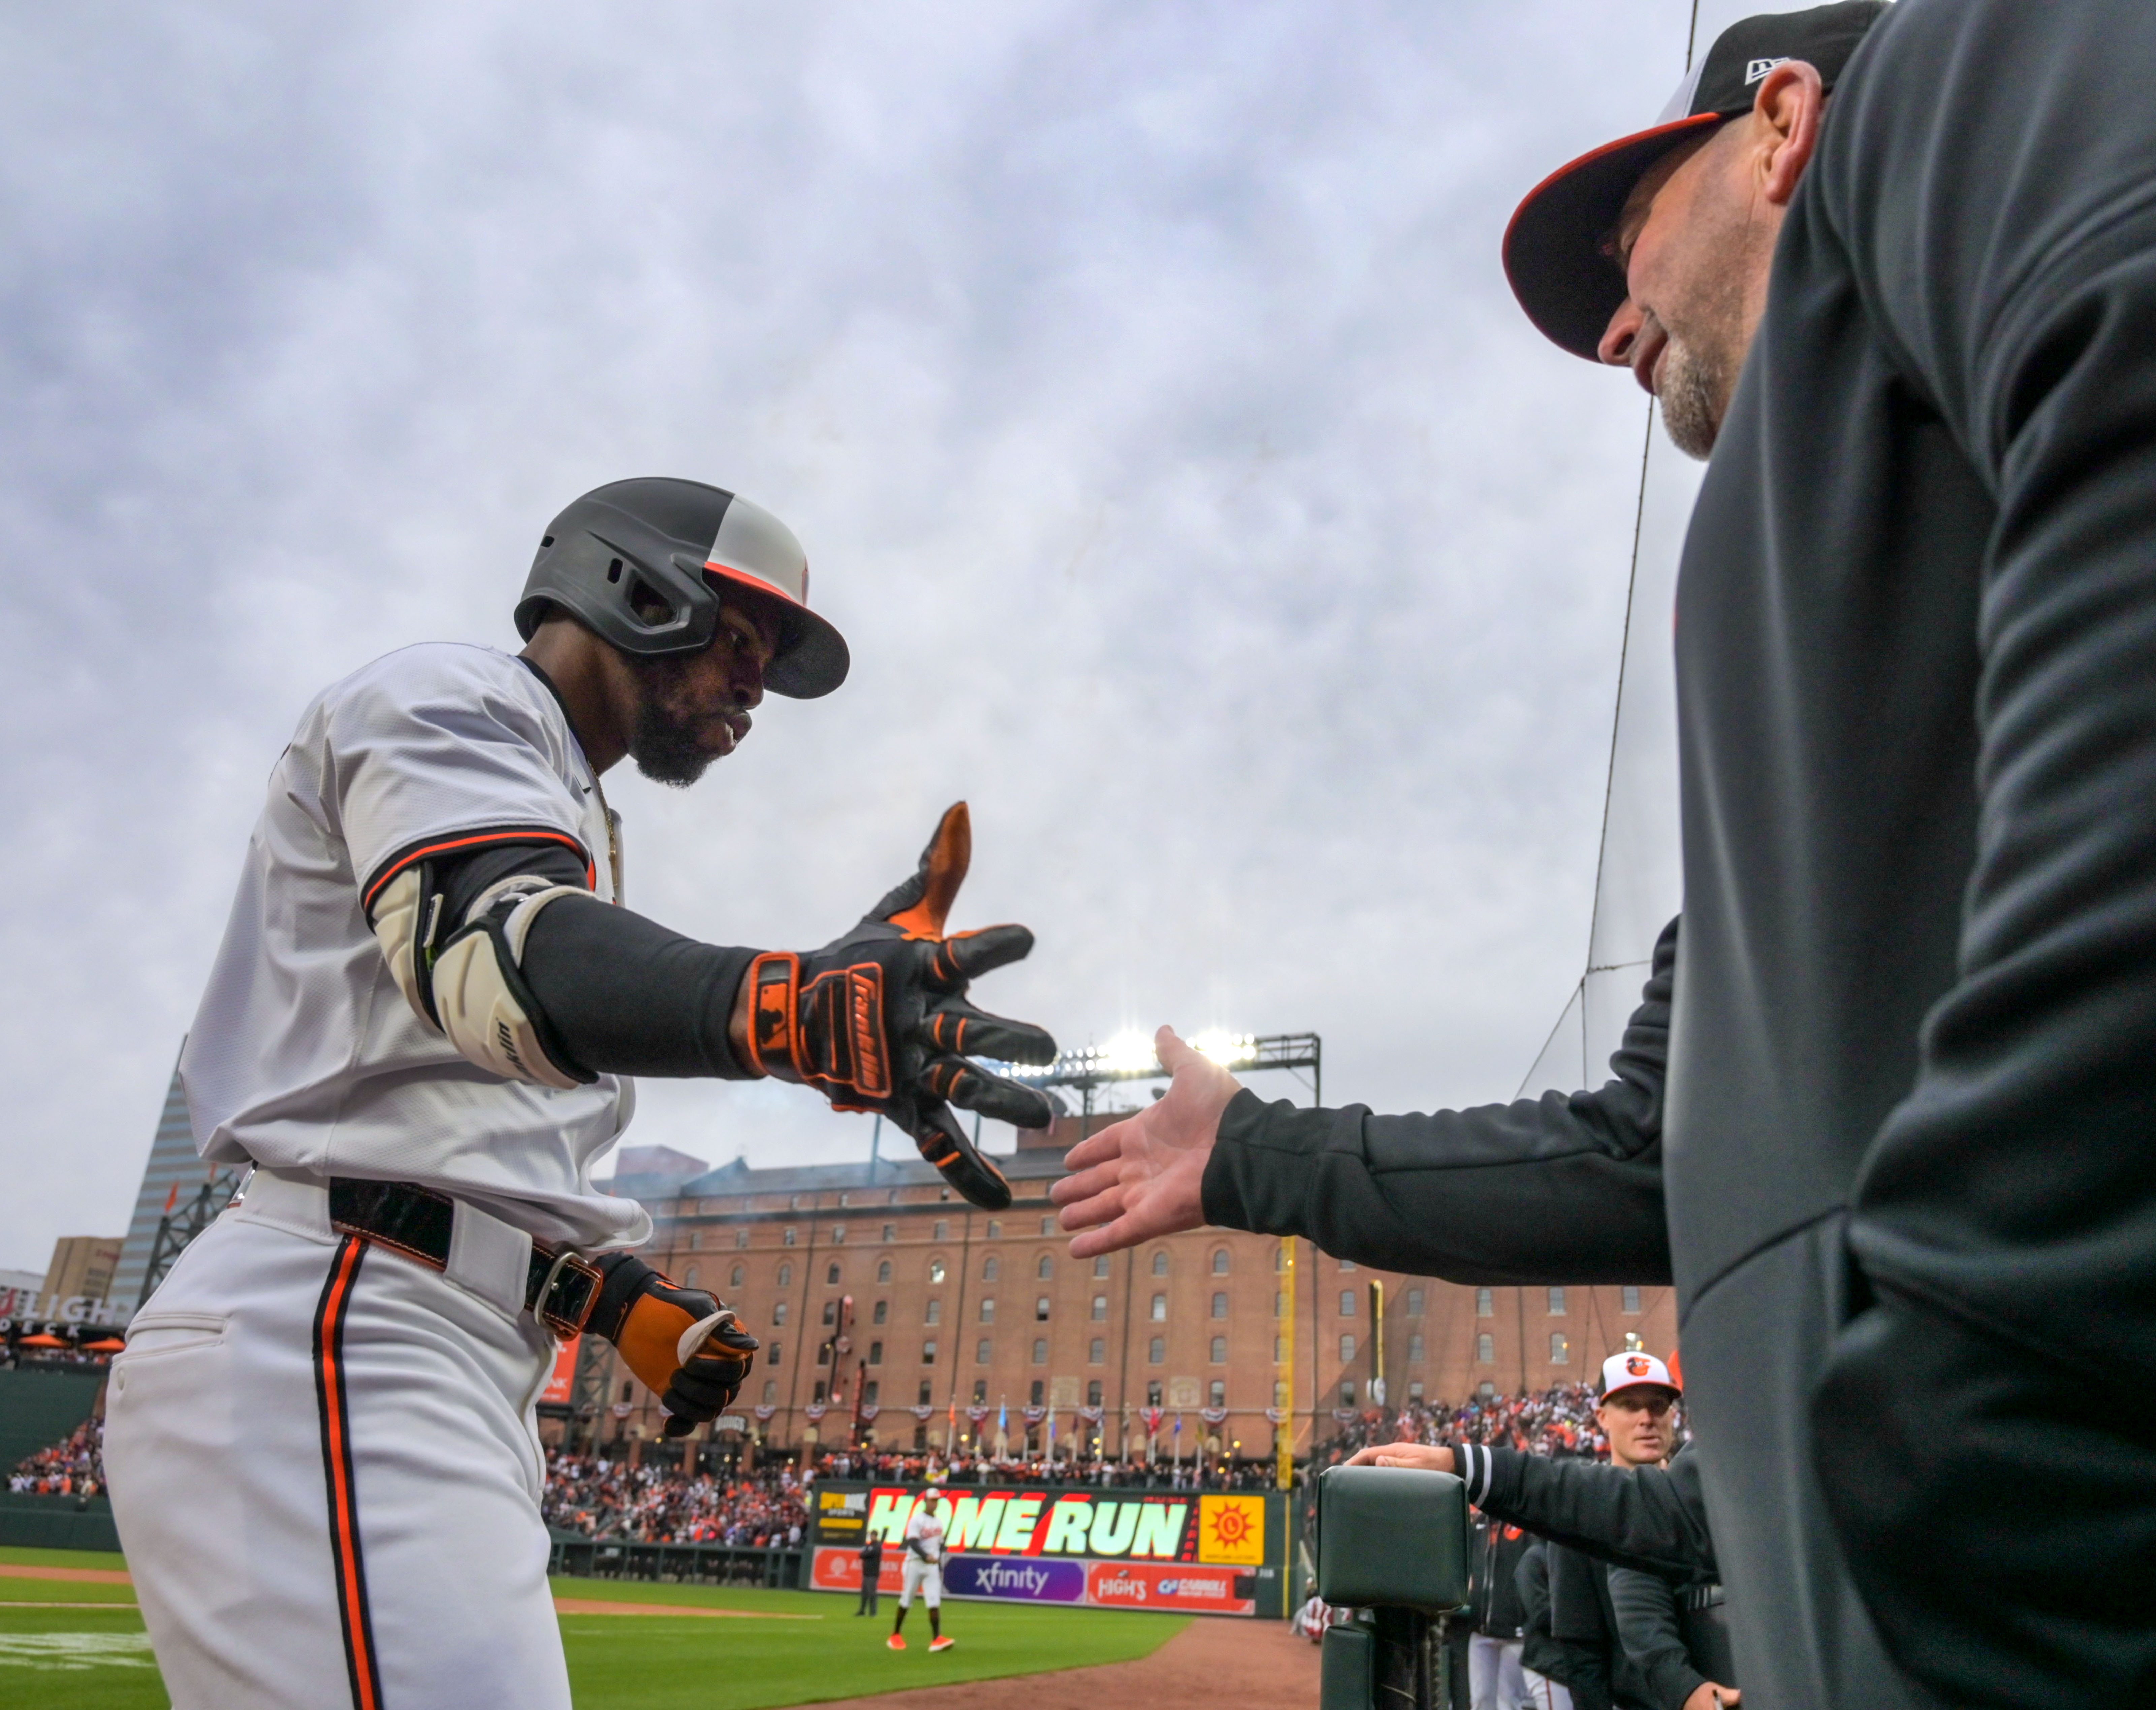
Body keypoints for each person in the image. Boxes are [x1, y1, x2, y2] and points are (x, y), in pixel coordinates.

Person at [1058, 3, 2156, 1701]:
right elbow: (1658, 1141)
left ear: (1780, 126)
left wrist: (1997, 1373)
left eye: (1625, 232)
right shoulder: (1819, 541)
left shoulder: (1955, 83)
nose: (1612, 324)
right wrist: (1255, 1153)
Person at [104, 477, 1055, 1710]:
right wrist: (785, 1007)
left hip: (422, 1330)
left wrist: (606, 1298)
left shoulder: (568, 799)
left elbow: (455, 1122)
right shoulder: (450, 698)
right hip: (336, 1316)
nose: (755, 682)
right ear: (635, 587)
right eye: (740, 635)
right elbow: (494, 954)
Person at [1351, 1354, 1734, 1710]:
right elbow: (1579, 1648)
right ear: (1601, 1416)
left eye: (1658, 1406)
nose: (1647, 1418)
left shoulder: (1702, 1493)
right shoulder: (1575, 1516)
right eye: (1631, 1406)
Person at [890, 1494, 953, 1652]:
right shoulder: (917, 1520)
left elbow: (939, 1545)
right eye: (932, 1500)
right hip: (915, 1564)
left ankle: (937, 1639)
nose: (934, 1503)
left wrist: (937, 1562)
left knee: (934, 1602)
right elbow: (912, 1543)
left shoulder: (939, 1522)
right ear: (925, 1502)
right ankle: (896, 1635)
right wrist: (926, 1556)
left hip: (931, 1567)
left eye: (937, 1501)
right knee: (907, 1600)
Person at [857, 1529, 884, 1617]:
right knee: (865, 1593)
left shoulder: (878, 1546)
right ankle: (862, 1610)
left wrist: (865, 1554)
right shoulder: (869, 1545)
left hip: (873, 1573)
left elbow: (867, 1554)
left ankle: (873, 1612)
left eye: (873, 1536)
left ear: (876, 1536)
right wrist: (865, 1554)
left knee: (872, 1593)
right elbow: (862, 1555)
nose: (872, 1537)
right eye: (871, 1536)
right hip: (866, 1572)